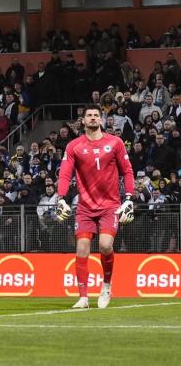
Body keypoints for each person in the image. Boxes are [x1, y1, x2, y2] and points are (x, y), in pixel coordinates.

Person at [56, 104, 134, 309]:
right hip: (85, 207)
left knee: (105, 246)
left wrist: (129, 198)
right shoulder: (73, 146)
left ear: (101, 120)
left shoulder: (115, 142)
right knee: (82, 248)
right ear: (83, 121)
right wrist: (61, 198)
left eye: (96, 115)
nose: (92, 118)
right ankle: (83, 297)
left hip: (110, 205)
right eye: (89, 115)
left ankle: (106, 286)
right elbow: (65, 173)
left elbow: (127, 171)